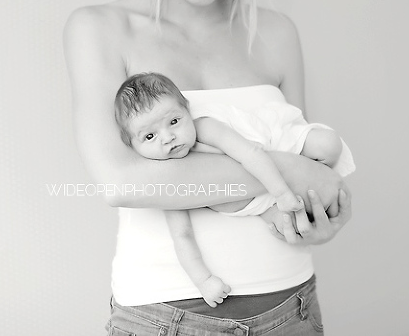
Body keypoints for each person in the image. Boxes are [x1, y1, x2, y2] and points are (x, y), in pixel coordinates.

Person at [63, 0, 352, 336]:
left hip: (294, 312)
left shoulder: (277, 33)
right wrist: (291, 172)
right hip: (168, 324)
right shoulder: (101, 29)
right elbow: (125, 183)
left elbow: (307, 162)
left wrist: (318, 213)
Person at [114, 72, 353, 309]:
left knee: (328, 145)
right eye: (150, 136)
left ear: (187, 109)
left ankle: (322, 182)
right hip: (260, 205)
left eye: (174, 122)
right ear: (132, 146)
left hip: (271, 148)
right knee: (288, 225)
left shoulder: (205, 128)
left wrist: (283, 193)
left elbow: (251, 154)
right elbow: (182, 236)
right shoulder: (169, 185)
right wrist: (204, 281)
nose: (168, 137)